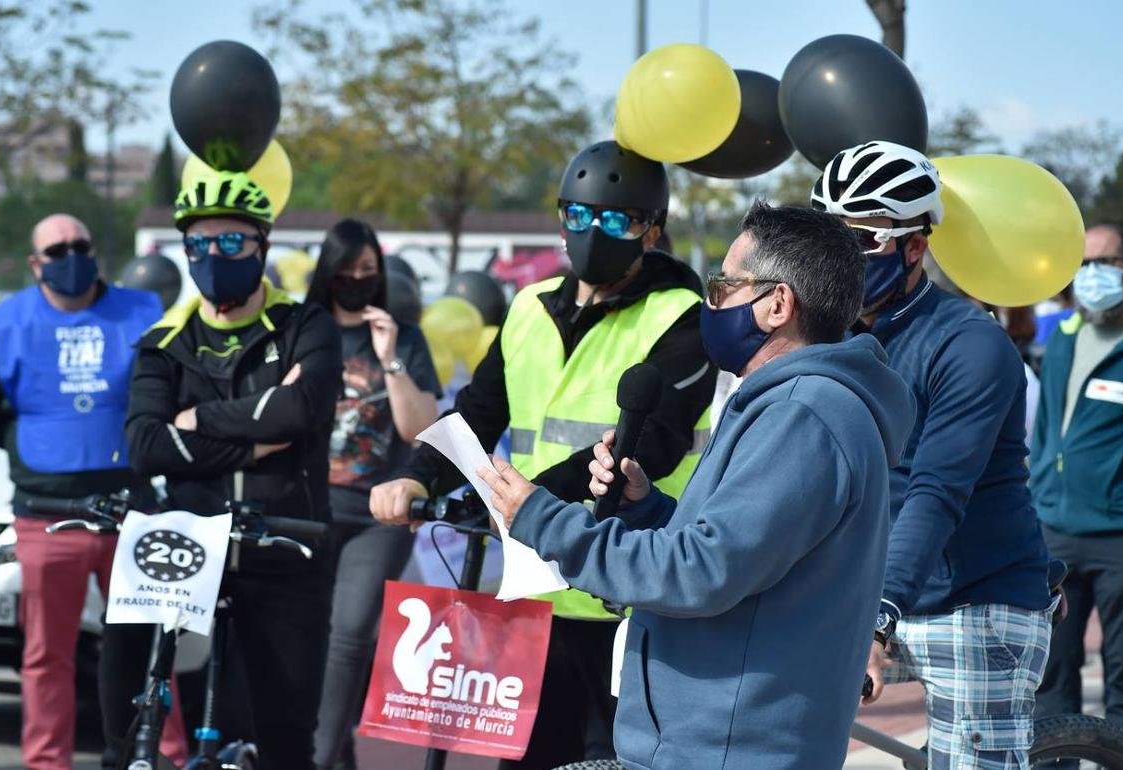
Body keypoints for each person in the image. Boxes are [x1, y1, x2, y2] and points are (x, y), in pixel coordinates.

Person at [477, 201, 914, 769]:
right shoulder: (788, 403)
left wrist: (542, 519)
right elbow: (744, 553)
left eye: (723, 285)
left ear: (777, 304)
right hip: (710, 741)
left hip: (731, 748)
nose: (712, 301)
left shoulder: (803, 414)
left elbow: (702, 572)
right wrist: (646, 508)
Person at [371, 140, 716, 769]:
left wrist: (525, 501)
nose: (593, 232)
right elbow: (476, 413)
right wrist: (417, 478)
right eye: (578, 214)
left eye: (617, 220)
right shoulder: (528, 307)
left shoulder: (684, 318)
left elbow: (649, 444)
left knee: (619, 760)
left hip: (628, 589)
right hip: (534, 591)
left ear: (651, 231)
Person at [812, 141, 1055, 769]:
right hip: (868, 588)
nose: (839, 260)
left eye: (861, 240)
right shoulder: (827, 339)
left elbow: (936, 492)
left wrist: (875, 621)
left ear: (914, 247)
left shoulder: (971, 345)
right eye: (828, 239)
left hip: (975, 601)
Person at [121, 170, 342, 770]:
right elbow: (146, 445)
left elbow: (299, 411)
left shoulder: (305, 325)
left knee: (287, 737)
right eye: (199, 244)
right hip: (190, 552)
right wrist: (251, 446)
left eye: (231, 241)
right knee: (139, 715)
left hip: (288, 550)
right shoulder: (163, 341)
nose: (214, 256)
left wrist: (196, 420)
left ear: (262, 247)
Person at [0, 215, 187, 770]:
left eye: (80, 245)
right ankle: (47, 762)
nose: (71, 257)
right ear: (35, 263)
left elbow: (173, 391)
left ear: (96, 251)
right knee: (45, 656)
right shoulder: (8, 320)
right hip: (46, 515)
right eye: (56, 250)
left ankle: (165, 757)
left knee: (152, 654)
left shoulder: (141, 310)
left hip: (132, 512)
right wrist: (31, 448)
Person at [307, 219, 442, 770]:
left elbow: (421, 428)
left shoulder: (404, 337)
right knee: (304, 634)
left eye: (369, 269)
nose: (358, 279)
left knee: (350, 633)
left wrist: (389, 359)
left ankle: (316, 759)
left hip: (375, 516)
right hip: (307, 509)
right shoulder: (304, 329)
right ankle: (335, 753)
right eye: (347, 269)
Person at [1032, 224, 1123, 741]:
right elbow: (1046, 426)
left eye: (1104, 263)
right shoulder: (1064, 336)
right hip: (1055, 530)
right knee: (1052, 678)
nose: (1092, 275)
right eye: (1084, 264)